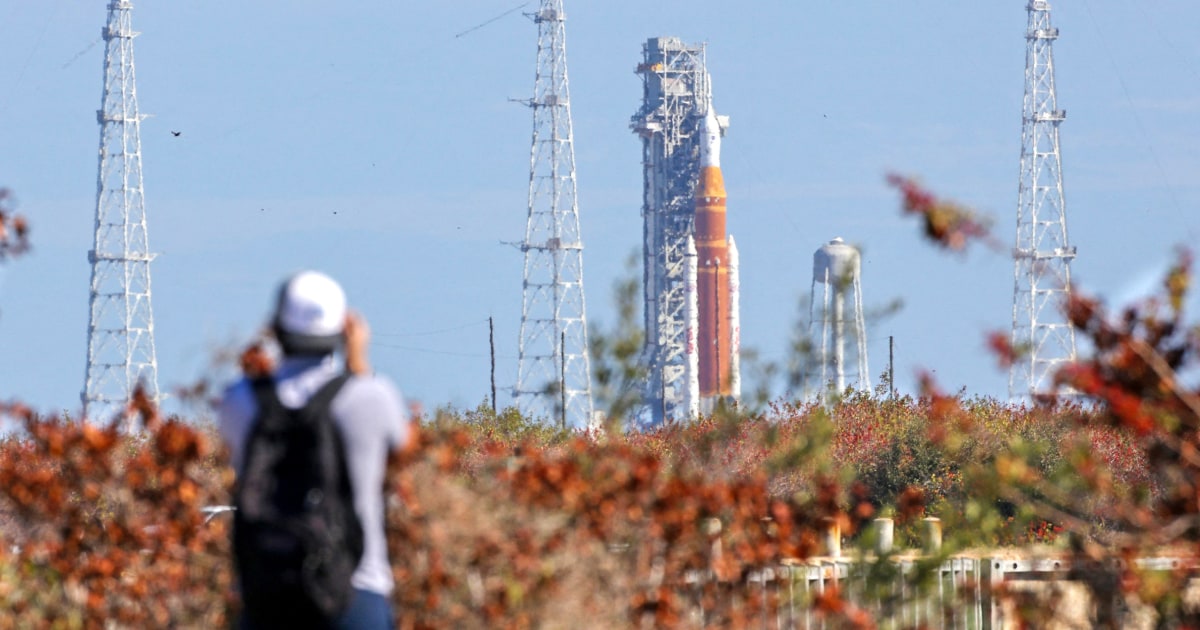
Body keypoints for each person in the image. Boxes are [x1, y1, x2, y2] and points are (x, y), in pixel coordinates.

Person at [219, 270, 410, 629]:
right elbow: (404, 445)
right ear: (345, 328)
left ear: (274, 329)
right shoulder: (370, 397)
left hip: (267, 593)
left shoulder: (240, 401)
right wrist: (358, 363)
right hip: (355, 588)